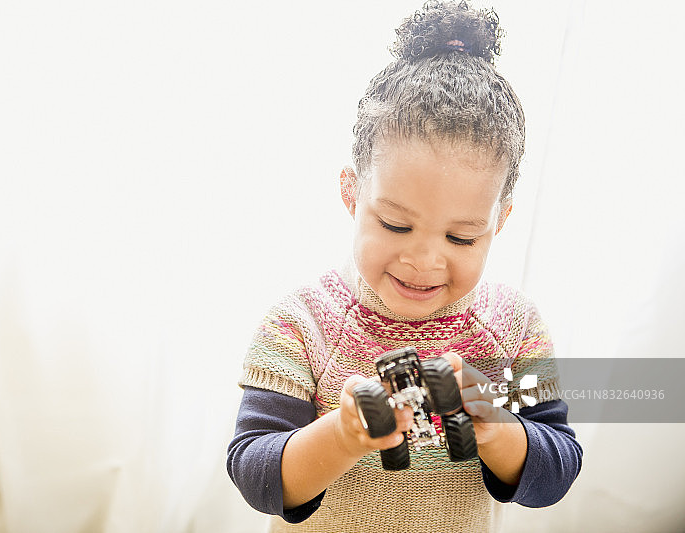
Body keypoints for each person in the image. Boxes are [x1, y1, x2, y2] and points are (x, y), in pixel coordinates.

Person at [226, 2, 582, 531]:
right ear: (351, 192)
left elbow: (558, 468)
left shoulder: (514, 329)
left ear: (500, 221)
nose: (423, 261)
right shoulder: (300, 323)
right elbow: (254, 473)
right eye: (395, 225)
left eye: (462, 236)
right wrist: (342, 435)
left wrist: (492, 421)